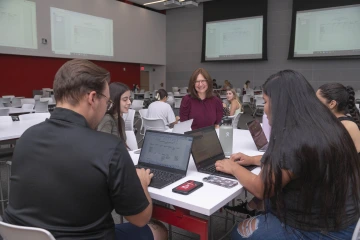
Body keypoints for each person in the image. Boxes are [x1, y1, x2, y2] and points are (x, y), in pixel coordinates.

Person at [3, 59, 167, 240]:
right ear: (92, 98)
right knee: (158, 230)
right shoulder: (108, 148)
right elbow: (140, 218)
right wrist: (142, 182)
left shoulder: (26, 138)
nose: (107, 106)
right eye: (107, 100)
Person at [215, 70, 360, 239]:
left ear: (280, 104)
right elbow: (298, 162)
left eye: (267, 101)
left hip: (318, 230)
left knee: (237, 234)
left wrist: (233, 167)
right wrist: (254, 159)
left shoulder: (292, 137)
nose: (265, 108)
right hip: (342, 221)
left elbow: (262, 188)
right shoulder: (327, 126)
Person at [316, 83, 360, 152]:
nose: (315, 104)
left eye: (318, 101)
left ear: (332, 104)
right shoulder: (327, 122)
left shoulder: (349, 126)